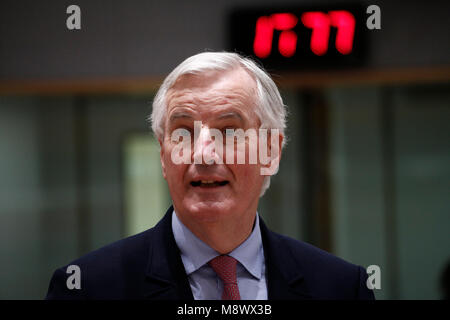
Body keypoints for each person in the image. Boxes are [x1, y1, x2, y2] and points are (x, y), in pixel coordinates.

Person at [46, 52, 375, 300]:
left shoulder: (342, 289)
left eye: (229, 131)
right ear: (163, 154)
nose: (203, 153)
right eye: (183, 132)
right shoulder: (85, 289)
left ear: (271, 151)